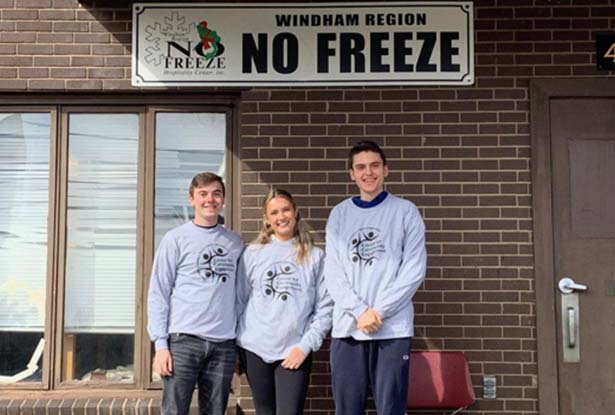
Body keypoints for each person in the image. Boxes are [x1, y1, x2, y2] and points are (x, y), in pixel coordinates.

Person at [324, 140, 427, 415]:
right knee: (347, 410)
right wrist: (359, 311)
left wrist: (378, 311)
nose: (368, 172)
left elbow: (414, 269)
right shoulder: (340, 214)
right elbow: (333, 273)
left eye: (374, 166)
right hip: (348, 329)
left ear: (386, 170)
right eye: (361, 167)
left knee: (391, 409)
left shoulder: (406, 211)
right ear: (352, 174)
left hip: (392, 330)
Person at [147, 172, 244, 415]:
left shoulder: (234, 243)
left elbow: (241, 296)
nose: (210, 199)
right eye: (203, 194)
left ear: (223, 200)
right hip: (183, 341)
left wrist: (239, 344)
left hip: (222, 345)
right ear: (192, 199)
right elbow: (159, 291)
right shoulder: (175, 239)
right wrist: (160, 345)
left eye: (216, 194)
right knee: (174, 411)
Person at [236, 188, 333, 415]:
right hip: (254, 348)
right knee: (265, 411)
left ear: (295, 212)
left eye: (286, 210)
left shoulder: (315, 256)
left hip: (295, 350)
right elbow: (238, 302)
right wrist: (234, 348)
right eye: (275, 212)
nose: (282, 217)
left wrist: (306, 346)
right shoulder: (252, 254)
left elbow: (325, 308)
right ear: (267, 220)